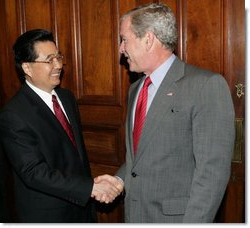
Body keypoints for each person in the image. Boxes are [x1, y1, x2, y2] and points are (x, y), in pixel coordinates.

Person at [96, 3, 235, 223]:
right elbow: (139, 158)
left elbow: (212, 175)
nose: (121, 49)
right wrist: (119, 181)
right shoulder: (135, 90)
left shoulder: (205, 86)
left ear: (148, 39)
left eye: (124, 39)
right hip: (135, 216)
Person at [0, 29, 123, 223]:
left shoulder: (67, 98)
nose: (58, 65)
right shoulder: (14, 115)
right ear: (27, 68)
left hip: (82, 208)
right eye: (49, 60)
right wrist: (89, 188)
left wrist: (89, 188)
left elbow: (74, 154)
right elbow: (33, 172)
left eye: (58, 57)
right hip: (49, 214)